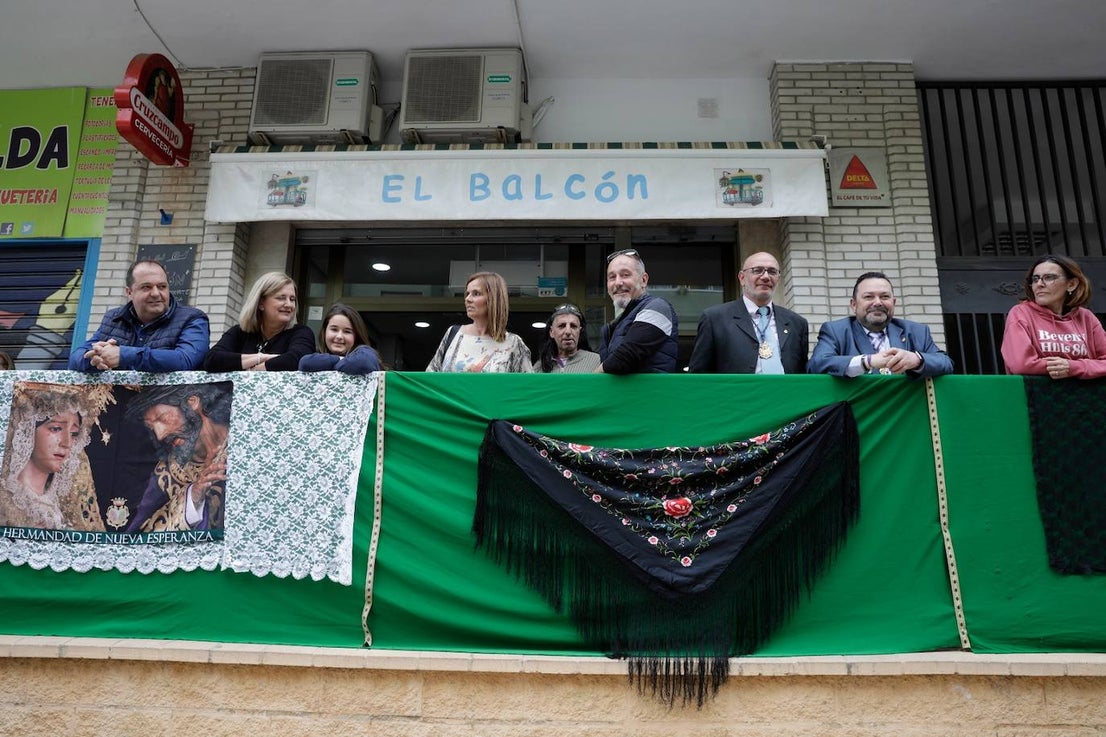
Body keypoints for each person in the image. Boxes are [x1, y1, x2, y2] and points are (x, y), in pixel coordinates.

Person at [0, 383, 112, 531]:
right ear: (27, 431)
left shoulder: (62, 504)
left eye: (74, 434)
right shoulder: (6, 502)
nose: (67, 443)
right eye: (56, 428)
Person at [123, 384, 231, 532]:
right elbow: (140, 535)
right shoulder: (167, 474)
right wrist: (193, 497)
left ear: (192, 402)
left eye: (163, 418)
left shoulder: (244, 437)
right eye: (151, 428)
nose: (160, 435)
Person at [68, 260, 209, 372]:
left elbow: (186, 360)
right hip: (117, 405)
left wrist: (124, 355)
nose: (155, 293)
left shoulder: (192, 319)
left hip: (170, 405)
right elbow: (75, 358)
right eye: (146, 287)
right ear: (129, 292)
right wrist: (95, 360)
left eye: (162, 286)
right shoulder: (113, 318)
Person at [807, 271, 954, 377]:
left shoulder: (917, 331)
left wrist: (917, 360)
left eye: (884, 297)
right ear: (854, 304)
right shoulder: (836, 331)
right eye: (869, 297)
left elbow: (946, 363)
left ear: (893, 302)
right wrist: (867, 361)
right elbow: (817, 365)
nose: (877, 302)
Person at [688, 252, 809, 374]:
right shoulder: (715, 319)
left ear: (778, 279)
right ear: (742, 278)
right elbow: (698, 375)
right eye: (757, 270)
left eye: (772, 272)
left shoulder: (797, 323)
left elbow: (802, 372)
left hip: (785, 392)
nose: (766, 277)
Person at [1000, 255, 1106, 379]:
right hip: (1034, 394)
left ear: (1071, 284)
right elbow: (1020, 364)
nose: (1039, 284)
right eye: (1035, 279)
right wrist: (1066, 368)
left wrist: (1073, 367)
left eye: (1049, 277)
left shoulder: (1086, 317)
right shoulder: (1020, 313)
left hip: (1085, 396)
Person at [204, 272, 315, 372]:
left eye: (292, 299)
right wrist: (261, 358)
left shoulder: (301, 332)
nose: (289, 305)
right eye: (281, 298)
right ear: (261, 303)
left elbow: (296, 360)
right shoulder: (240, 332)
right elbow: (212, 359)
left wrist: (256, 369)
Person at [426, 271, 533, 373]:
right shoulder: (453, 334)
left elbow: (528, 387)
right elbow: (430, 379)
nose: (467, 299)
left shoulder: (514, 343)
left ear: (493, 299)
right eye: (467, 293)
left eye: (476, 293)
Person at [597, 249, 678, 373]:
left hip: (652, 392)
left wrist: (588, 386)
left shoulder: (658, 307)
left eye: (625, 275)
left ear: (643, 280)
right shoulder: (613, 326)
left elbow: (624, 357)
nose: (618, 282)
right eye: (612, 277)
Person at [299, 303, 381, 374]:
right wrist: (340, 359)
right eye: (334, 329)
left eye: (347, 331)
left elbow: (362, 362)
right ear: (324, 331)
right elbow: (305, 363)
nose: (339, 336)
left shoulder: (365, 352)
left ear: (356, 335)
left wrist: (327, 364)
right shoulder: (317, 354)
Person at [538, 303, 601, 373]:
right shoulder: (539, 367)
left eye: (573, 326)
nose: (568, 331)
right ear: (551, 332)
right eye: (561, 326)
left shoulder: (596, 361)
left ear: (579, 332)